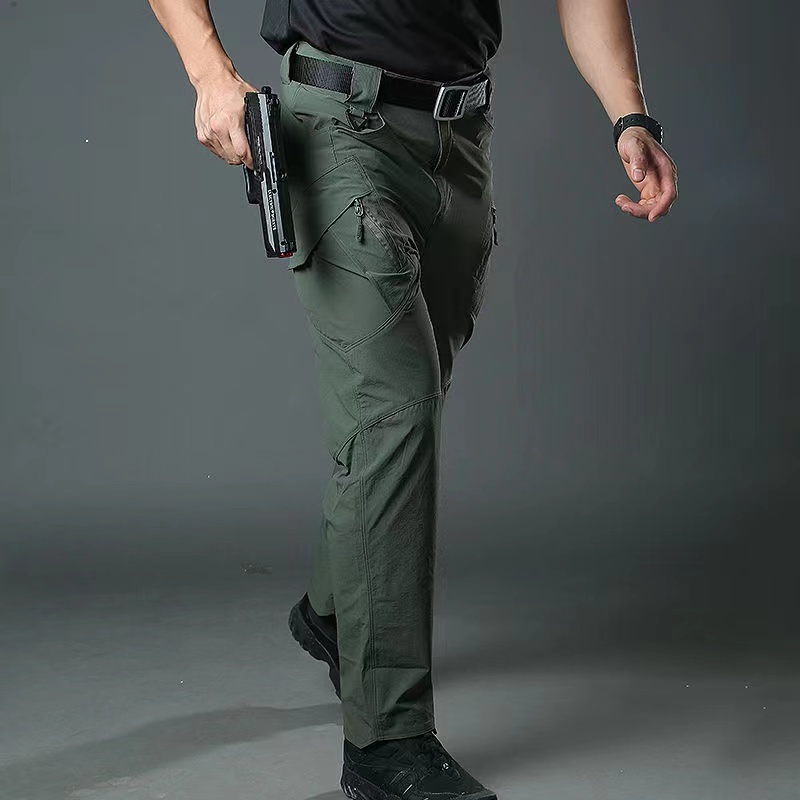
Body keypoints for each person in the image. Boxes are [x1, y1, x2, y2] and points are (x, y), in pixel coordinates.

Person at [147, 2, 678, 798]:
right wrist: (209, 73)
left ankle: (334, 611)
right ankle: (386, 743)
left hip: (458, 141)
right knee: (394, 411)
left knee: (403, 408)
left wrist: (628, 114)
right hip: (336, 125)